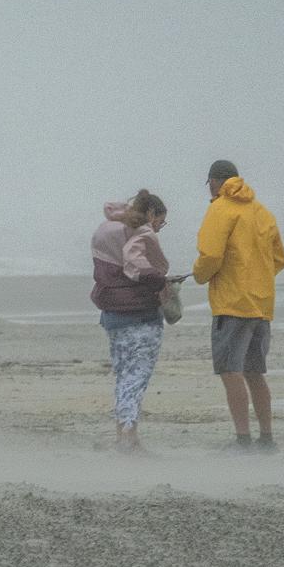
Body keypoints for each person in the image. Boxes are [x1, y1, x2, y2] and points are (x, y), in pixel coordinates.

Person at [193, 159, 284, 451]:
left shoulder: (220, 209)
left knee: (229, 370)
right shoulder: (262, 212)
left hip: (232, 304)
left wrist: (199, 276)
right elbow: (279, 259)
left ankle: (243, 438)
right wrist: (256, 278)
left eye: (209, 182)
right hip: (261, 304)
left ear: (214, 181)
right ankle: (267, 437)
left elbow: (210, 255)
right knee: (254, 372)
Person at [90, 190, 171, 453]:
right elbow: (135, 263)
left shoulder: (107, 228)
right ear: (150, 214)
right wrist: (161, 281)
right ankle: (128, 436)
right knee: (137, 378)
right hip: (141, 313)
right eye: (160, 221)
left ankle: (123, 435)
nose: (159, 228)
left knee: (124, 376)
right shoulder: (141, 232)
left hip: (112, 314)